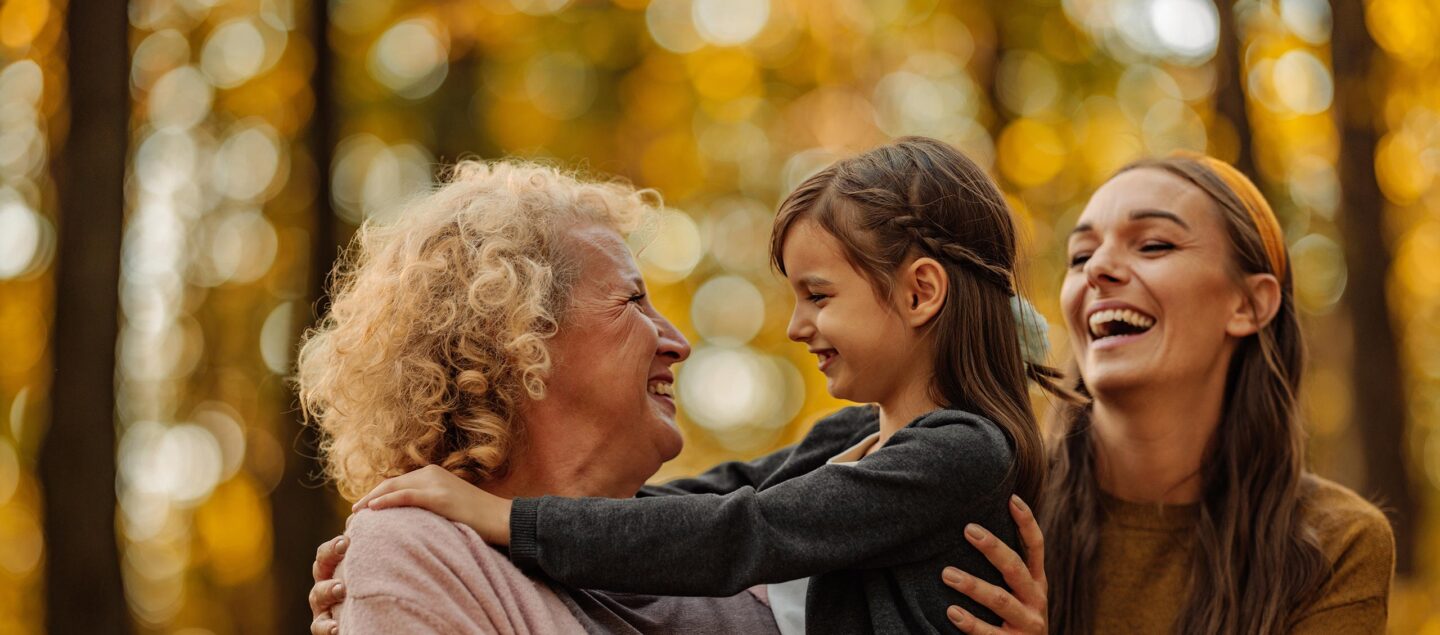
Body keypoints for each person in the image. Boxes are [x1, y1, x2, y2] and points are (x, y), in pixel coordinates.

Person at [349, 137, 1069, 634]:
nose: (795, 326)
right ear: (515, 343)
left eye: (819, 295)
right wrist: (490, 516)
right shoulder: (859, 438)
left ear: (920, 295)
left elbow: (741, 526)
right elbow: (720, 497)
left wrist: (510, 520)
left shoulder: (958, 450)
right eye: (633, 302)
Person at [297, 160, 782, 633]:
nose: (678, 343)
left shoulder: (745, 549)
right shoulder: (423, 554)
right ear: (514, 338)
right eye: (633, 301)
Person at [938, 153, 1395, 634]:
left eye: (1153, 245)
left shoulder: (1338, 543)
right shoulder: (991, 500)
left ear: (1249, 304)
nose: (1098, 270)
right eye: (1080, 256)